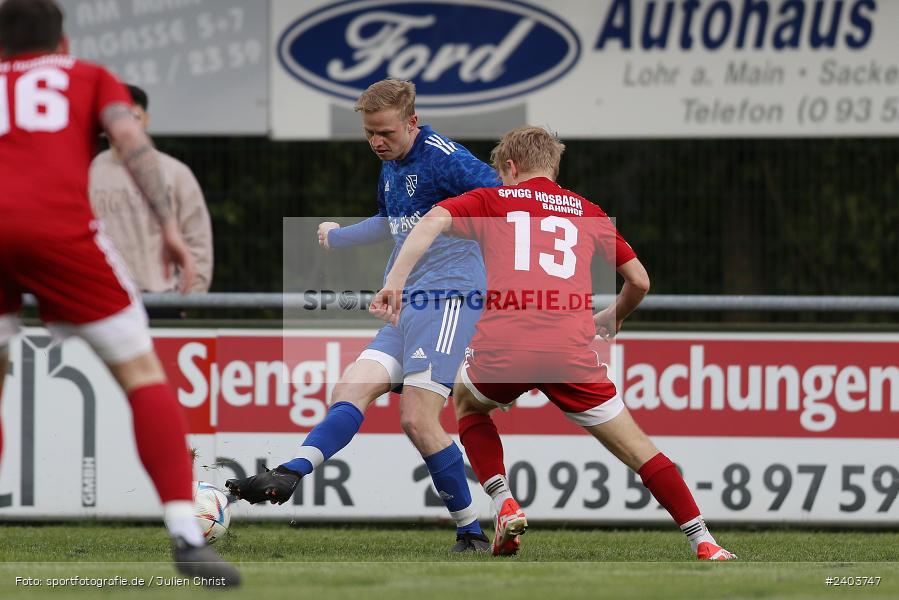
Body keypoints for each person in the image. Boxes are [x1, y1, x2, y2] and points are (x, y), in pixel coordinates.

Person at [370, 126, 737, 561]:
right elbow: (639, 280)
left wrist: (395, 281)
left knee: (468, 403)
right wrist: (614, 315)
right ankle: (705, 542)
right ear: (553, 166)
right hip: (570, 350)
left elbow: (432, 221)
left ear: (509, 167)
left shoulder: (493, 200)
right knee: (640, 450)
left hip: (504, 346)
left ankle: (503, 500)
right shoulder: (586, 209)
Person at [0, 0, 238, 585]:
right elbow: (130, 140)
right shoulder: (85, 74)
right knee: (141, 374)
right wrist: (169, 230)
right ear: (62, 42)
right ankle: (185, 535)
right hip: (58, 233)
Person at [226, 79, 501, 552]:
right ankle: (292, 472)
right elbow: (390, 221)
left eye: (386, 133)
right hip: (406, 305)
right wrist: (340, 235)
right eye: (369, 133)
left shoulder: (445, 156)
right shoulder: (392, 165)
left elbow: (502, 200)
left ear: (412, 123)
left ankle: (471, 532)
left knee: (417, 418)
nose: (376, 142)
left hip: (451, 300)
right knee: (349, 387)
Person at [90, 84, 213, 294]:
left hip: (159, 296)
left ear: (146, 119)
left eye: (134, 117)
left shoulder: (176, 173)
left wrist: (190, 296)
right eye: (120, 119)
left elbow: (197, 239)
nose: (126, 126)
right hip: (100, 296)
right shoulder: (88, 172)